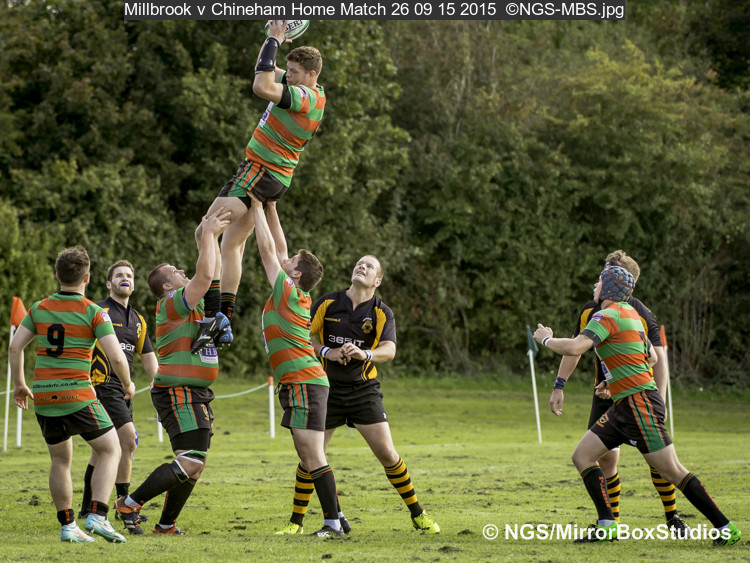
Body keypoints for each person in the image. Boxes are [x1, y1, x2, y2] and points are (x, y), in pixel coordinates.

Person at [533, 266, 741, 546]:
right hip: (624, 404)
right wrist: (614, 381)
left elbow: (575, 347)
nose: (595, 285)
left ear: (608, 289)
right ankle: (607, 525)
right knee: (582, 456)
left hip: (639, 404)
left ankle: (725, 527)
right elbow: (651, 357)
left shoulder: (606, 315)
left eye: (599, 281)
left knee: (672, 470)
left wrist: (545, 338)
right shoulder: (630, 314)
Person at [275, 255, 440, 535]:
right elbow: (303, 335)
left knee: (387, 454)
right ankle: (296, 523)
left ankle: (418, 514)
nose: (362, 266)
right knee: (310, 456)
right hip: (326, 389)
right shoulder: (328, 303)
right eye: (359, 263)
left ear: (377, 281)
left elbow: (389, 349)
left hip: (363, 390)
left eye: (369, 266)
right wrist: (327, 351)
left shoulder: (381, 312)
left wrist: (365, 354)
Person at [192, 19, 326, 350]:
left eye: (294, 72)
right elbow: (265, 70)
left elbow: (261, 85)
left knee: (205, 231)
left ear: (311, 75)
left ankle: (212, 315)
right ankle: (224, 318)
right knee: (231, 245)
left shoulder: (305, 96)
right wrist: (272, 40)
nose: (288, 75)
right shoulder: (306, 88)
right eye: (288, 70)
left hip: (260, 172)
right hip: (269, 175)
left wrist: (276, 39)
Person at [548, 250, 687, 533]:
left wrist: (660, 400)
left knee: (658, 460)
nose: (600, 278)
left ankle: (672, 517)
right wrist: (559, 384)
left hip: (638, 393)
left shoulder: (639, 312)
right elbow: (576, 348)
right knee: (604, 457)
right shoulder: (591, 310)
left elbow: (657, 357)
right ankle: (612, 521)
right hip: (604, 395)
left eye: (607, 271)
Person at [114, 208, 230, 535]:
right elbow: (204, 276)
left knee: (194, 464)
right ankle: (129, 503)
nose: (182, 271)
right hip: (179, 391)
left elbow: (213, 273)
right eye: (176, 271)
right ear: (167, 285)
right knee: (192, 460)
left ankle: (166, 524)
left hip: (193, 392)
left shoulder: (189, 304)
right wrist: (208, 236)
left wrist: (206, 237)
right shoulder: (172, 303)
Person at [9, 246, 134, 544]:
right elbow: (117, 357)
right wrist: (128, 383)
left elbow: (15, 347)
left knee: (60, 460)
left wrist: (19, 384)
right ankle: (98, 515)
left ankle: (68, 526)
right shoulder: (94, 312)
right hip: (77, 394)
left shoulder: (38, 308)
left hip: (43, 396)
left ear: (57, 275)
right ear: (87, 277)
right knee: (111, 448)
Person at [249, 194, 344, 539]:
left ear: (296, 273)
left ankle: (333, 524)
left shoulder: (288, 291)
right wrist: (272, 208)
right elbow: (280, 248)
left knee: (312, 455)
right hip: (299, 381)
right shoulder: (291, 289)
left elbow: (267, 251)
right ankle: (338, 517)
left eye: (289, 262)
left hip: (304, 381)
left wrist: (256, 208)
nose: (283, 259)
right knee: (308, 454)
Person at [79, 260, 159, 530]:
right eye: (119, 275)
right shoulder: (98, 311)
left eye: (129, 275)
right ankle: (125, 507)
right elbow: (83, 347)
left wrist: (159, 383)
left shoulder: (138, 320)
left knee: (101, 451)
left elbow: (148, 356)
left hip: (124, 390)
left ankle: (87, 507)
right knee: (128, 442)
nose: (125, 278)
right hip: (102, 385)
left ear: (134, 284)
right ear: (108, 283)